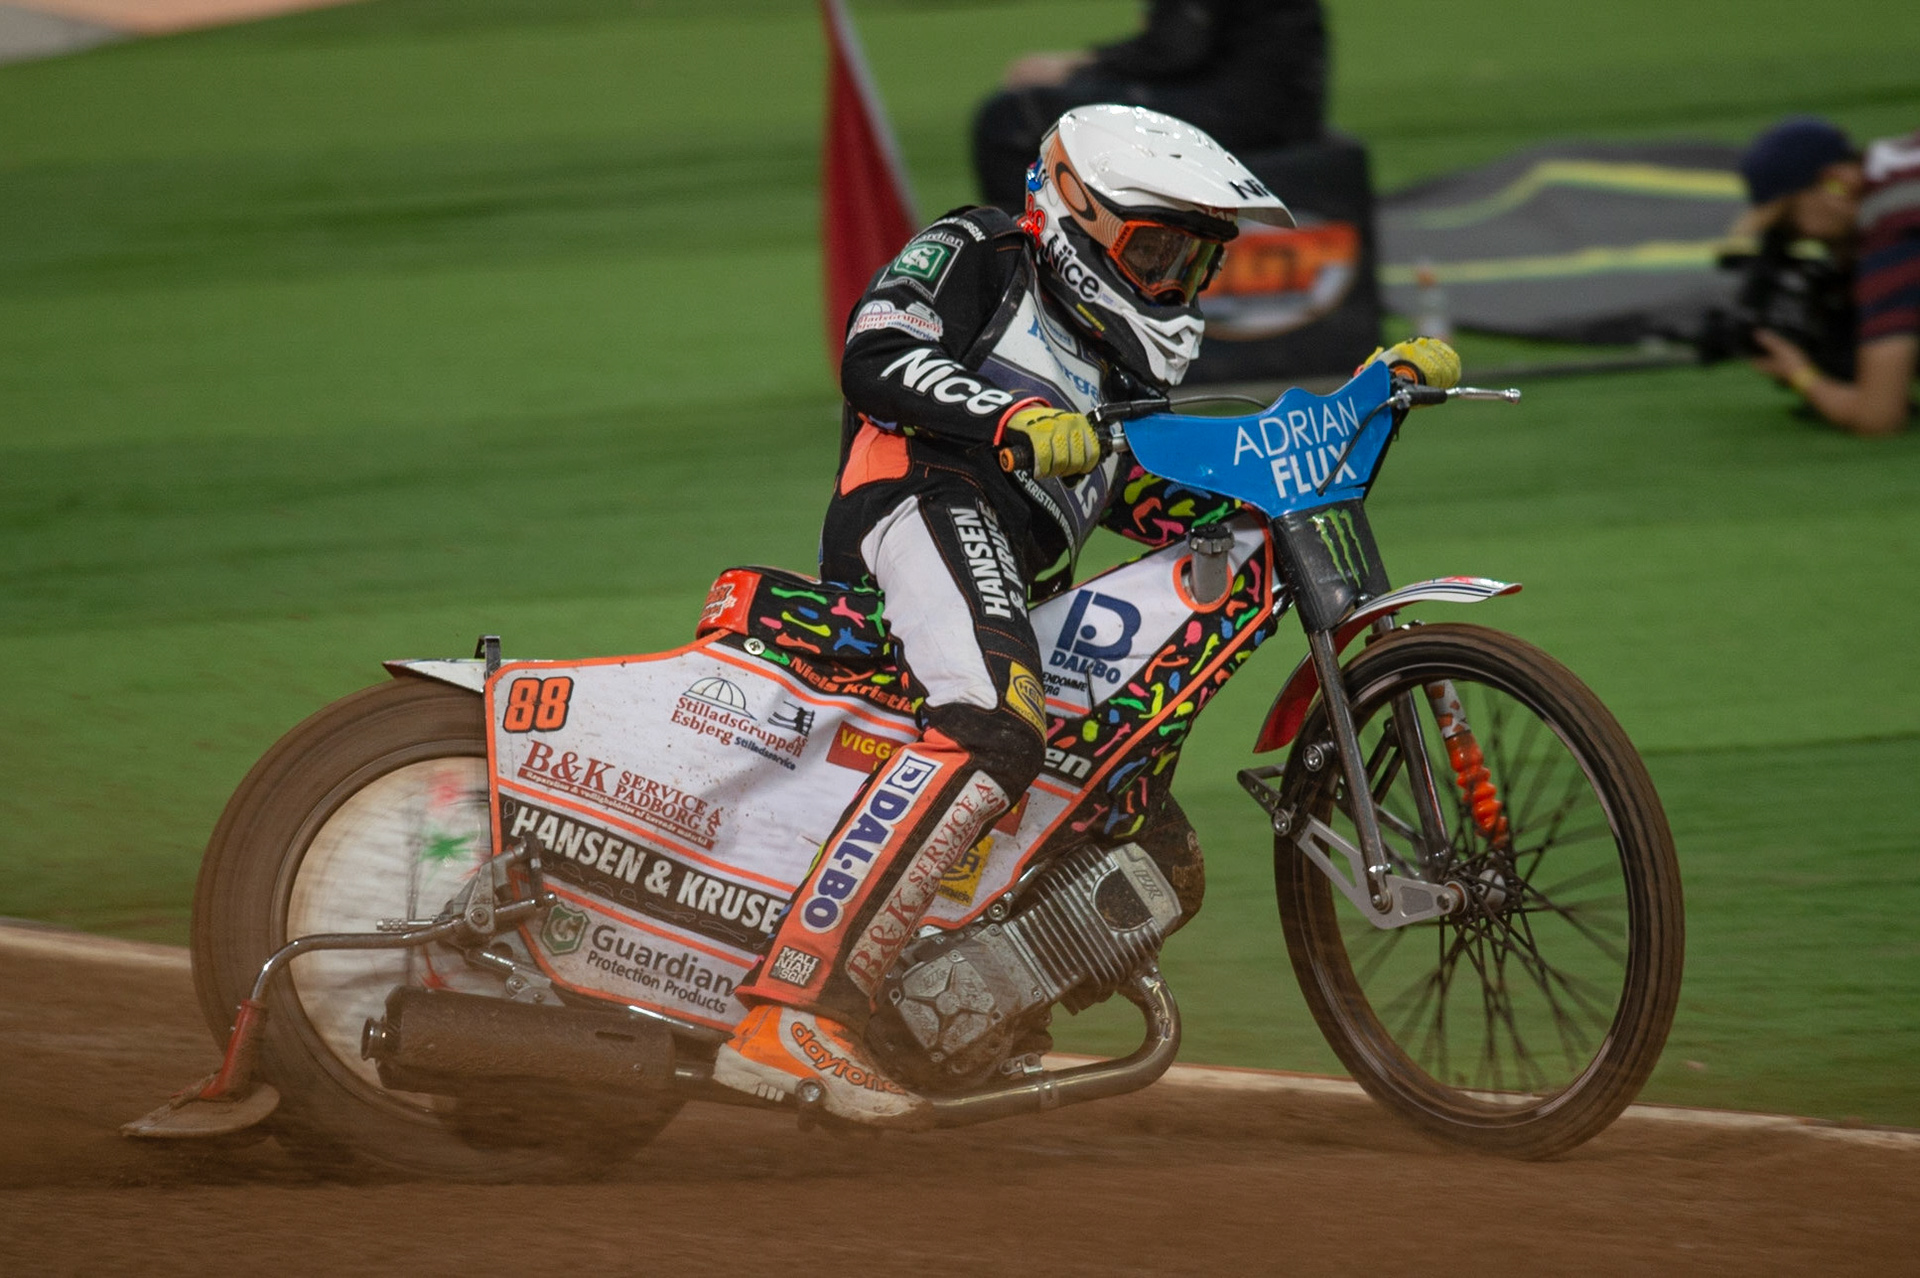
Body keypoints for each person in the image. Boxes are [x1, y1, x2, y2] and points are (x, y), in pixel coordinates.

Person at [710, 104, 1458, 1127]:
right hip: (917, 503)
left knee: (1151, 845)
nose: (1169, 285)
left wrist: (1340, 433)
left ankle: (945, 1019)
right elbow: (874, 355)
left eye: (1192, 267)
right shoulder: (981, 248)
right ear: (1074, 209)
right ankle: (789, 1010)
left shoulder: (1115, 376)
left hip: (1001, 573)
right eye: (1152, 251)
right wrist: (1010, 416)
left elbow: (1140, 500)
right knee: (996, 720)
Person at [971, 0, 1328, 213]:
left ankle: (1027, 262)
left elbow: (1174, 51)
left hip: (1241, 111)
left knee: (1013, 118)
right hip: (1277, 105)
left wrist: (1074, 66)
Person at [1739, 116, 1919, 436]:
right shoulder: (1896, 169)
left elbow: (1878, 417)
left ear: (1836, 182)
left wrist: (1800, 374)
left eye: (1791, 222)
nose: (1796, 239)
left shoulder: (1891, 224)